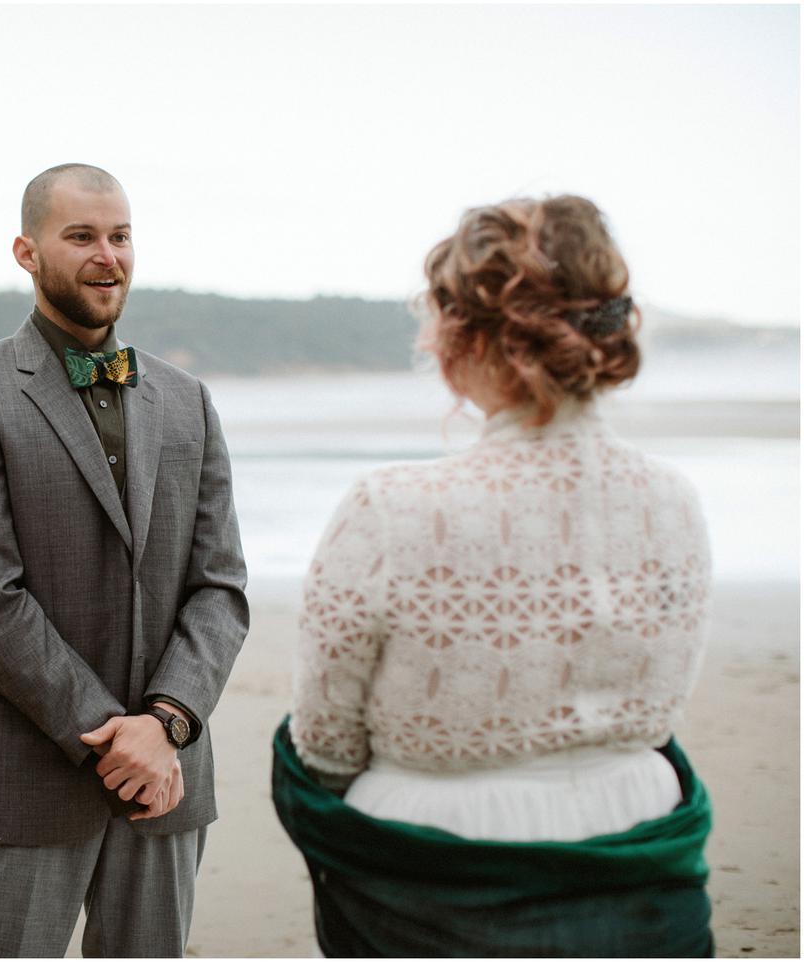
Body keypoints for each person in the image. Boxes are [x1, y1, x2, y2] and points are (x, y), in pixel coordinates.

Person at [273, 195, 714, 956]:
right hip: (640, 830)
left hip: (434, 851)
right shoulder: (675, 500)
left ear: (466, 336)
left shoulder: (390, 508)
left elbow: (326, 745)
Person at [0, 163, 250, 957]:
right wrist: (113, 737)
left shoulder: (188, 400)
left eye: (120, 236)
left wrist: (164, 725)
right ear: (27, 252)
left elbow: (221, 587)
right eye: (82, 237)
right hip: (25, 780)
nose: (108, 255)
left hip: (165, 782)